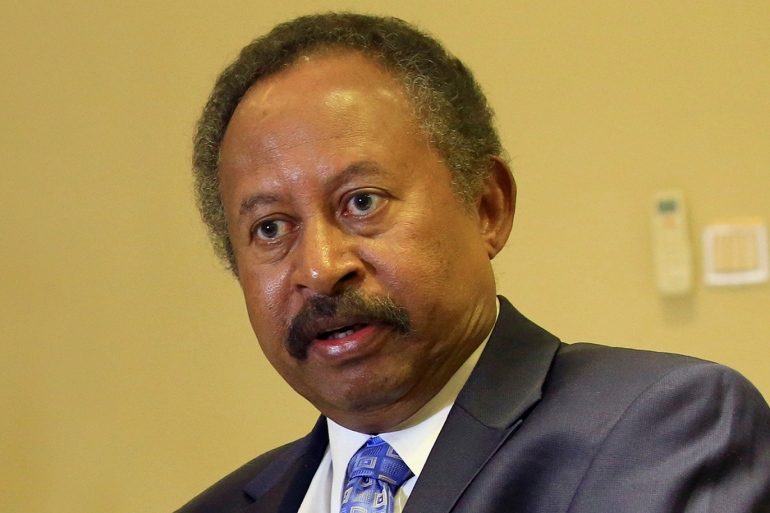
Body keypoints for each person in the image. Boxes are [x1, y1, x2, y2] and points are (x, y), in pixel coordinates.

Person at [177, 12, 770, 513]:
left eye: (362, 202)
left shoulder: (663, 429)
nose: (321, 267)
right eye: (271, 228)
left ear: (487, 206)